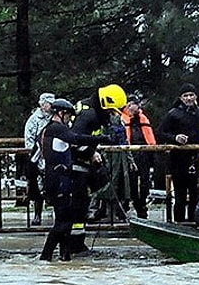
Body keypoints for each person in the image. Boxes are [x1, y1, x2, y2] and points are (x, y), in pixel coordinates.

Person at [39, 99, 111, 261]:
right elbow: (76, 138)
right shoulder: (56, 129)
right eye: (69, 116)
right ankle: (45, 257)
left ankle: (65, 257)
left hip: (59, 178)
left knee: (67, 221)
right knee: (62, 223)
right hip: (58, 180)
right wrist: (101, 139)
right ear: (60, 113)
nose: (70, 119)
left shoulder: (49, 130)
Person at [69, 83, 126, 255]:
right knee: (77, 208)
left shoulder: (90, 109)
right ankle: (73, 246)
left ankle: (77, 245)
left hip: (79, 166)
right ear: (105, 103)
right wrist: (92, 152)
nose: (111, 116)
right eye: (111, 111)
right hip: (73, 167)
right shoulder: (89, 115)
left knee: (81, 207)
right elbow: (74, 141)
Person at [156, 83, 199, 222]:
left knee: (196, 195)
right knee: (180, 196)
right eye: (185, 96)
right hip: (178, 160)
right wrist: (175, 138)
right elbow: (160, 133)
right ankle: (178, 224)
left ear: (195, 96)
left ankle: (195, 222)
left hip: (197, 159)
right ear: (180, 98)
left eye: (191, 95)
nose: (188, 98)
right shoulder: (173, 114)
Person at [122, 94, 156, 219]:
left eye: (134, 104)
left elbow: (150, 137)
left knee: (145, 183)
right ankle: (132, 204)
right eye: (129, 104)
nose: (131, 107)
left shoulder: (143, 119)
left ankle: (142, 205)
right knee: (130, 182)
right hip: (129, 154)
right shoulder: (122, 119)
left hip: (144, 154)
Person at [23, 92, 55, 225]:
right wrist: (35, 155)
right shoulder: (34, 119)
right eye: (49, 104)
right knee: (38, 187)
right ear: (42, 105)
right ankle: (37, 215)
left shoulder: (55, 117)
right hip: (38, 157)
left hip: (53, 155)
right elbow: (29, 140)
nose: (52, 106)